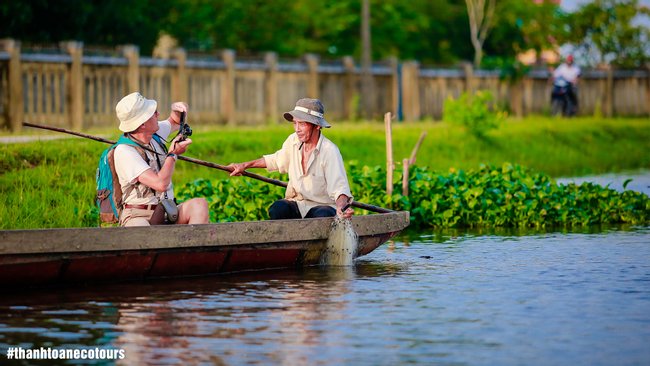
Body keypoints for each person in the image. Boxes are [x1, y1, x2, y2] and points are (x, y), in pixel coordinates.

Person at [228, 98, 354, 220]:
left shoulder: (329, 151)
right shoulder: (293, 141)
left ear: (317, 126)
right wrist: (244, 165)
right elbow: (275, 160)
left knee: (322, 215)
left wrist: (342, 207)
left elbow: (340, 189)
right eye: (295, 123)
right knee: (278, 209)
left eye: (302, 124)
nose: (297, 129)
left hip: (322, 207)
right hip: (298, 204)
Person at [114, 91, 209, 226]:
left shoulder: (154, 134)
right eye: (153, 113)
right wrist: (172, 154)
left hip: (167, 211)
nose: (158, 115)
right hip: (138, 215)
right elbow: (160, 184)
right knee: (141, 228)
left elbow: (175, 121)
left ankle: (193, 247)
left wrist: (177, 108)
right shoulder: (125, 151)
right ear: (142, 124)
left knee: (199, 205)